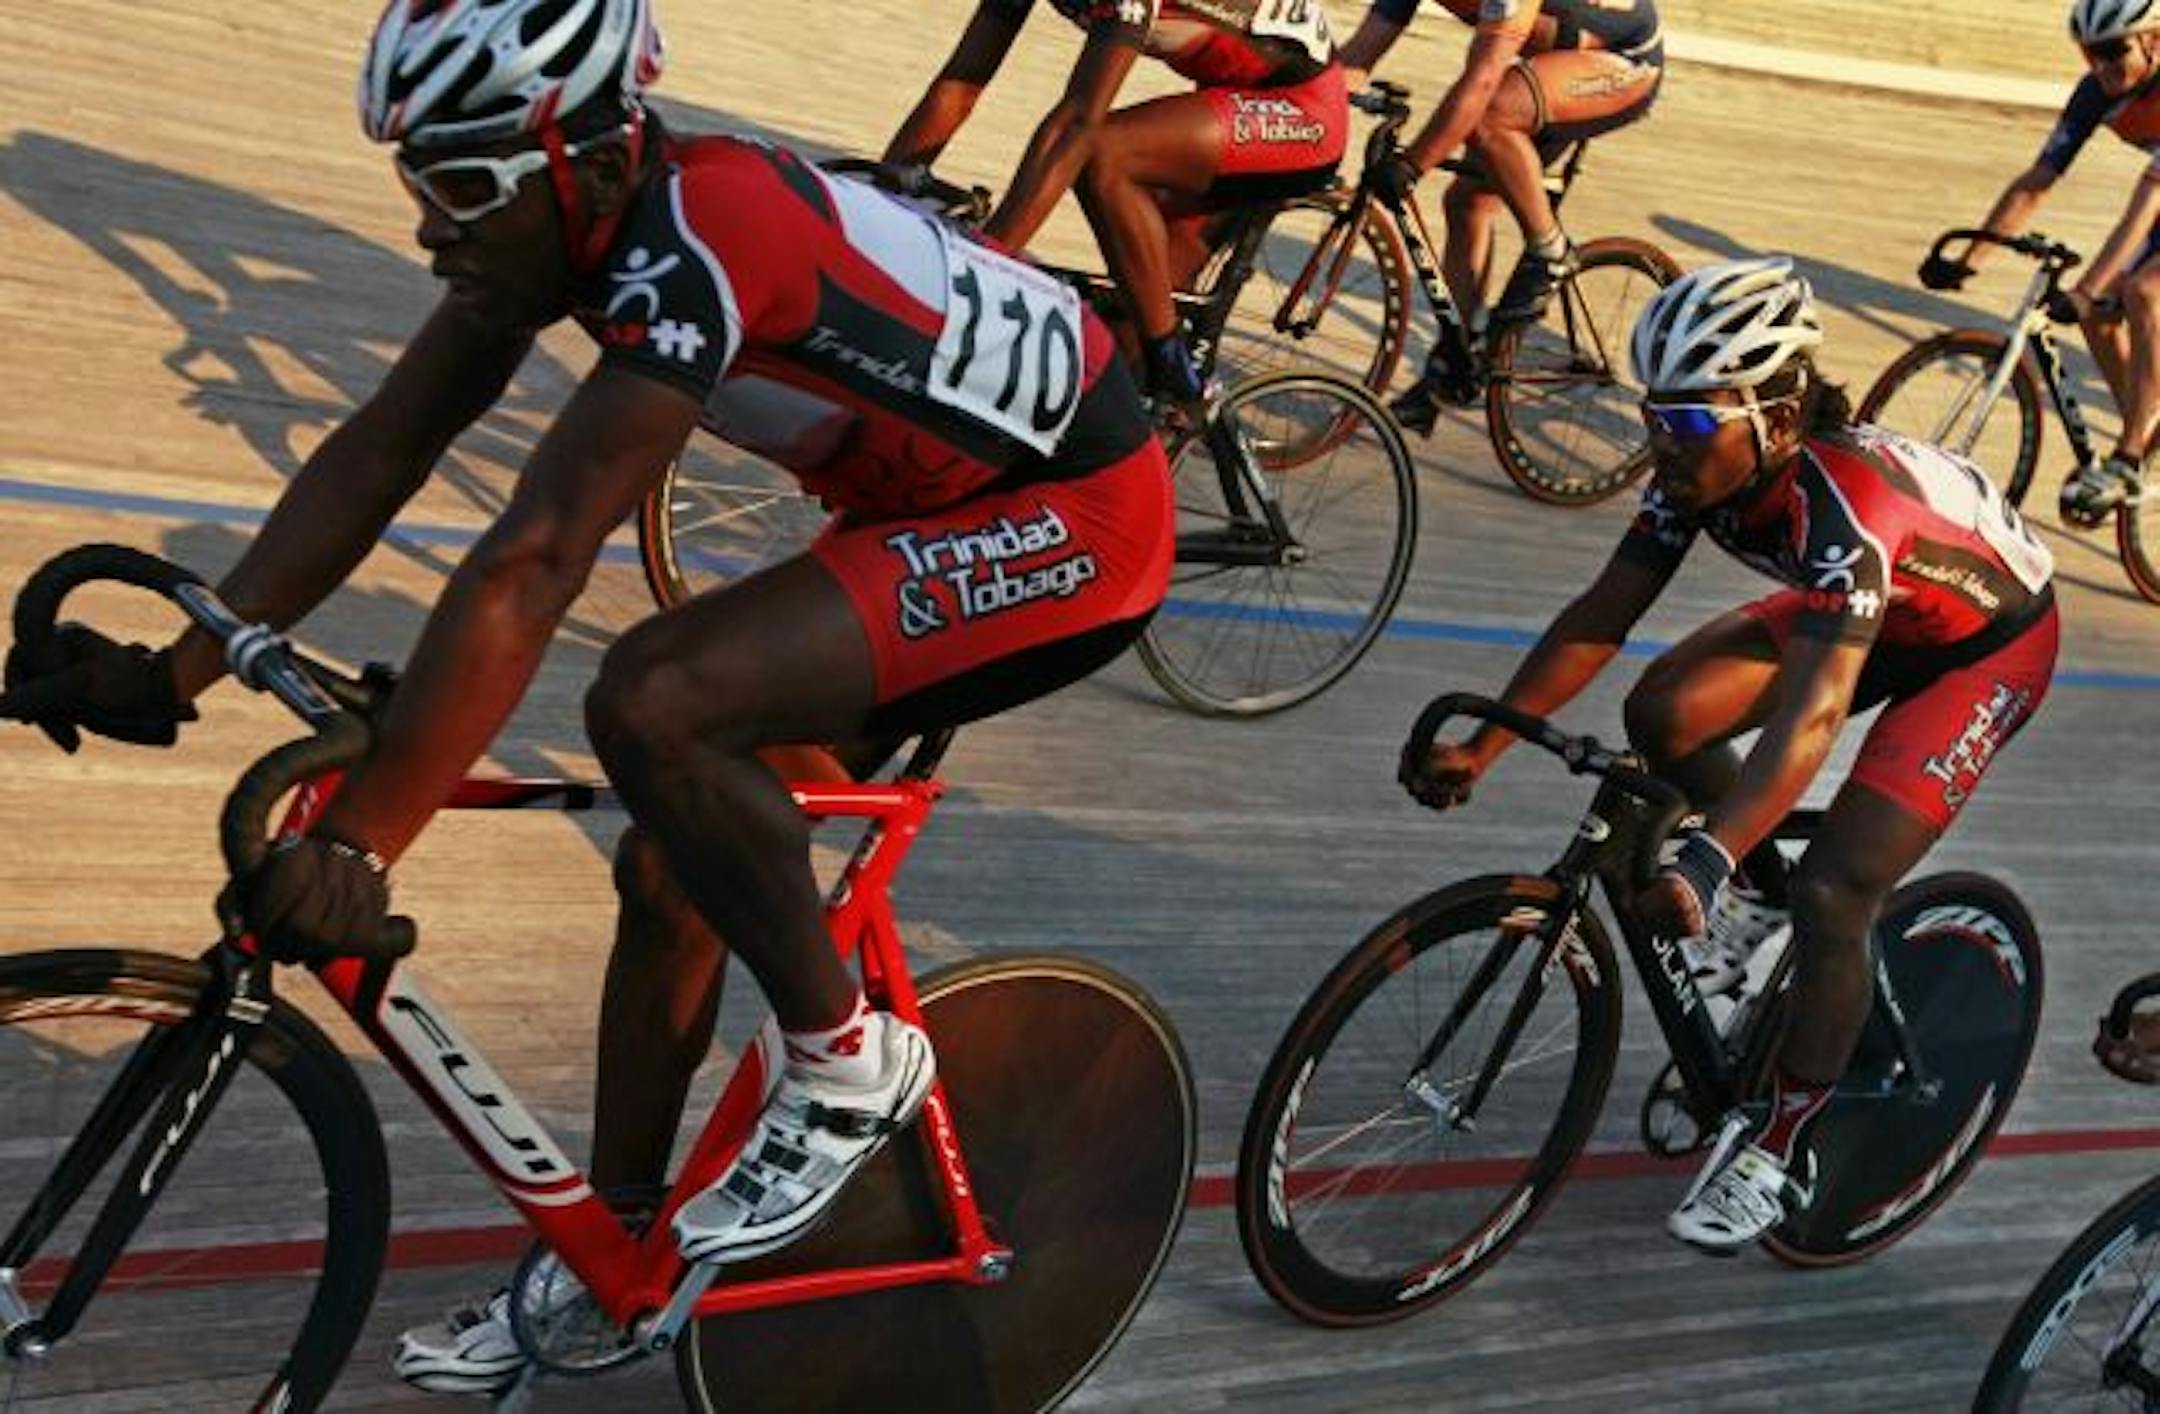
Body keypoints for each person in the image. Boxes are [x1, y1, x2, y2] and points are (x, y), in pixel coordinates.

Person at [0, 0, 1172, 1394]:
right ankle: (613, 1261)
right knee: (675, 868)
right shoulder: (572, 222)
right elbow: (384, 446)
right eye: (414, 180)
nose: (433, 224)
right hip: (920, 506)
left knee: (654, 696)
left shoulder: (707, 235)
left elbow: (536, 556)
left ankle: (848, 1058)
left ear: (591, 158)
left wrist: (363, 842)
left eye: (460, 188)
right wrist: (183, 665)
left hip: (1077, 521)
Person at [1402, 257, 2059, 1252]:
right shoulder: (1702, 475)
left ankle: (1780, 1147)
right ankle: (1756, 902)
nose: (1663, 444)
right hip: (1874, 607)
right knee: (1663, 712)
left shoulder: (1846, 511)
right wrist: (1487, 741)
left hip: (1987, 645)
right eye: (1653, 418)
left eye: (1692, 423)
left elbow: (1810, 719)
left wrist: (1705, 852)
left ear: (1779, 420)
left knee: (1839, 891)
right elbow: (1603, 612)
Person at [883, 0, 1348, 409]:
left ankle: (1170, 358)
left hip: (1304, 112)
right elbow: (959, 85)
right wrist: (879, 200)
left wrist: (987, 263)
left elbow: (1077, 124)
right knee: (1118, 353)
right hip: (1229, 99)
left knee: (1102, 152)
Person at [1338, 0, 1663, 431]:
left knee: (1492, 114)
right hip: (1549, 65)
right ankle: (1455, 356)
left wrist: (1413, 166)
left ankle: (1550, 252)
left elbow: (1483, 79)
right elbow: (1356, 59)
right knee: (1465, 203)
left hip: (1622, 62)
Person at [1924, 0, 2160, 526]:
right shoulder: (2097, 92)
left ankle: (2126, 457)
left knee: (2142, 292)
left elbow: (2144, 210)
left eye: (2111, 52)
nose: (2100, 67)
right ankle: (2144, 439)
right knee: (2101, 311)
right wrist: (1972, 256)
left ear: (2154, 41)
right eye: (2088, 54)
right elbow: (2038, 181)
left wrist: (2086, 286)